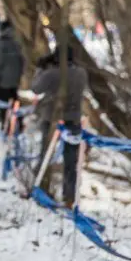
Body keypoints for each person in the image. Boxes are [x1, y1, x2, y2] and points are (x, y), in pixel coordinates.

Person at [31, 44, 88, 208]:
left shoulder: (51, 74)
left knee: (45, 155)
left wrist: (41, 69)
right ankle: (69, 197)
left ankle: (41, 188)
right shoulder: (81, 73)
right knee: (71, 160)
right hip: (74, 118)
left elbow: (35, 88)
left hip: (53, 119)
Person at [0, 19, 25, 127]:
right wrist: (19, 75)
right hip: (15, 80)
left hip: (2, 81)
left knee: (4, 104)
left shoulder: (0, 44)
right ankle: (19, 123)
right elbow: (22, 61)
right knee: (15, 101)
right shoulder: (15, 43)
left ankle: (6, 125)